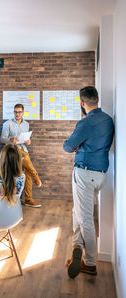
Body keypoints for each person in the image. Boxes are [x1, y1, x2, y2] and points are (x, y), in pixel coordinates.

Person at [63, 86, 114, 279]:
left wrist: (74, 146)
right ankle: (77, 246)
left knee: (85, 219)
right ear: (97, 99)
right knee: (78, 211)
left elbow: (68, 147)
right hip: (101, 173)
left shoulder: (85, 123)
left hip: (85, 173)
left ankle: (91, 263)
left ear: (82, 103)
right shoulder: (108, 120)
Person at [0, 103, 42, 208]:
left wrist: (28, 141)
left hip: (23, 149)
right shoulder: (7, 124)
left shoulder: (26, 124)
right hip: (13, 151)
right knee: (24, 156)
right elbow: (2, 139)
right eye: (15, 112)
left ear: (23, 112)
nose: (17, 114)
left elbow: (25, 138)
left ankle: (28, 199)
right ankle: (35, 174)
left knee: (27, 173)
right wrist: (10, 140)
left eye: (19, 112)